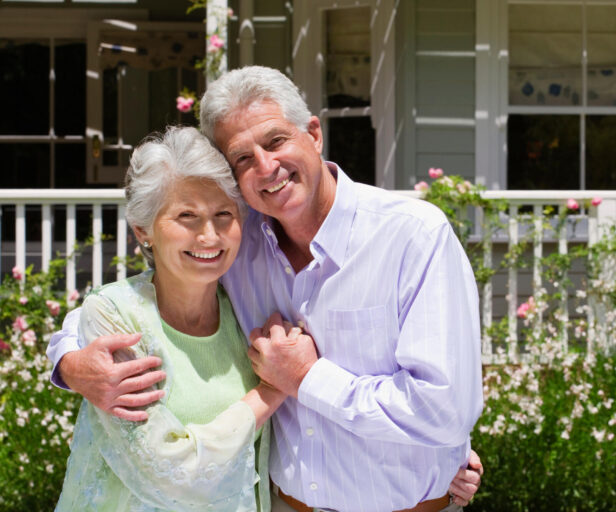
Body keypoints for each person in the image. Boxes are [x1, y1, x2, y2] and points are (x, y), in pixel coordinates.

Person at [48, 65, 484, 511]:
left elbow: (442, 410)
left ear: (313, 134)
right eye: (241, 158)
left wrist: (306, 378)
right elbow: (136, 304)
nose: (266, 166)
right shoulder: (235, 241)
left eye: (276, 141)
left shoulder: (412, 236)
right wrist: (69, 362)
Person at [55, 126, 286, 511]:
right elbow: (170, 472)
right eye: (187, 216)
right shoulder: (116, 316)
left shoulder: (247, 311)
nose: (209, 236)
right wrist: (271, 392)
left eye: (223, 214)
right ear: (143, 230)